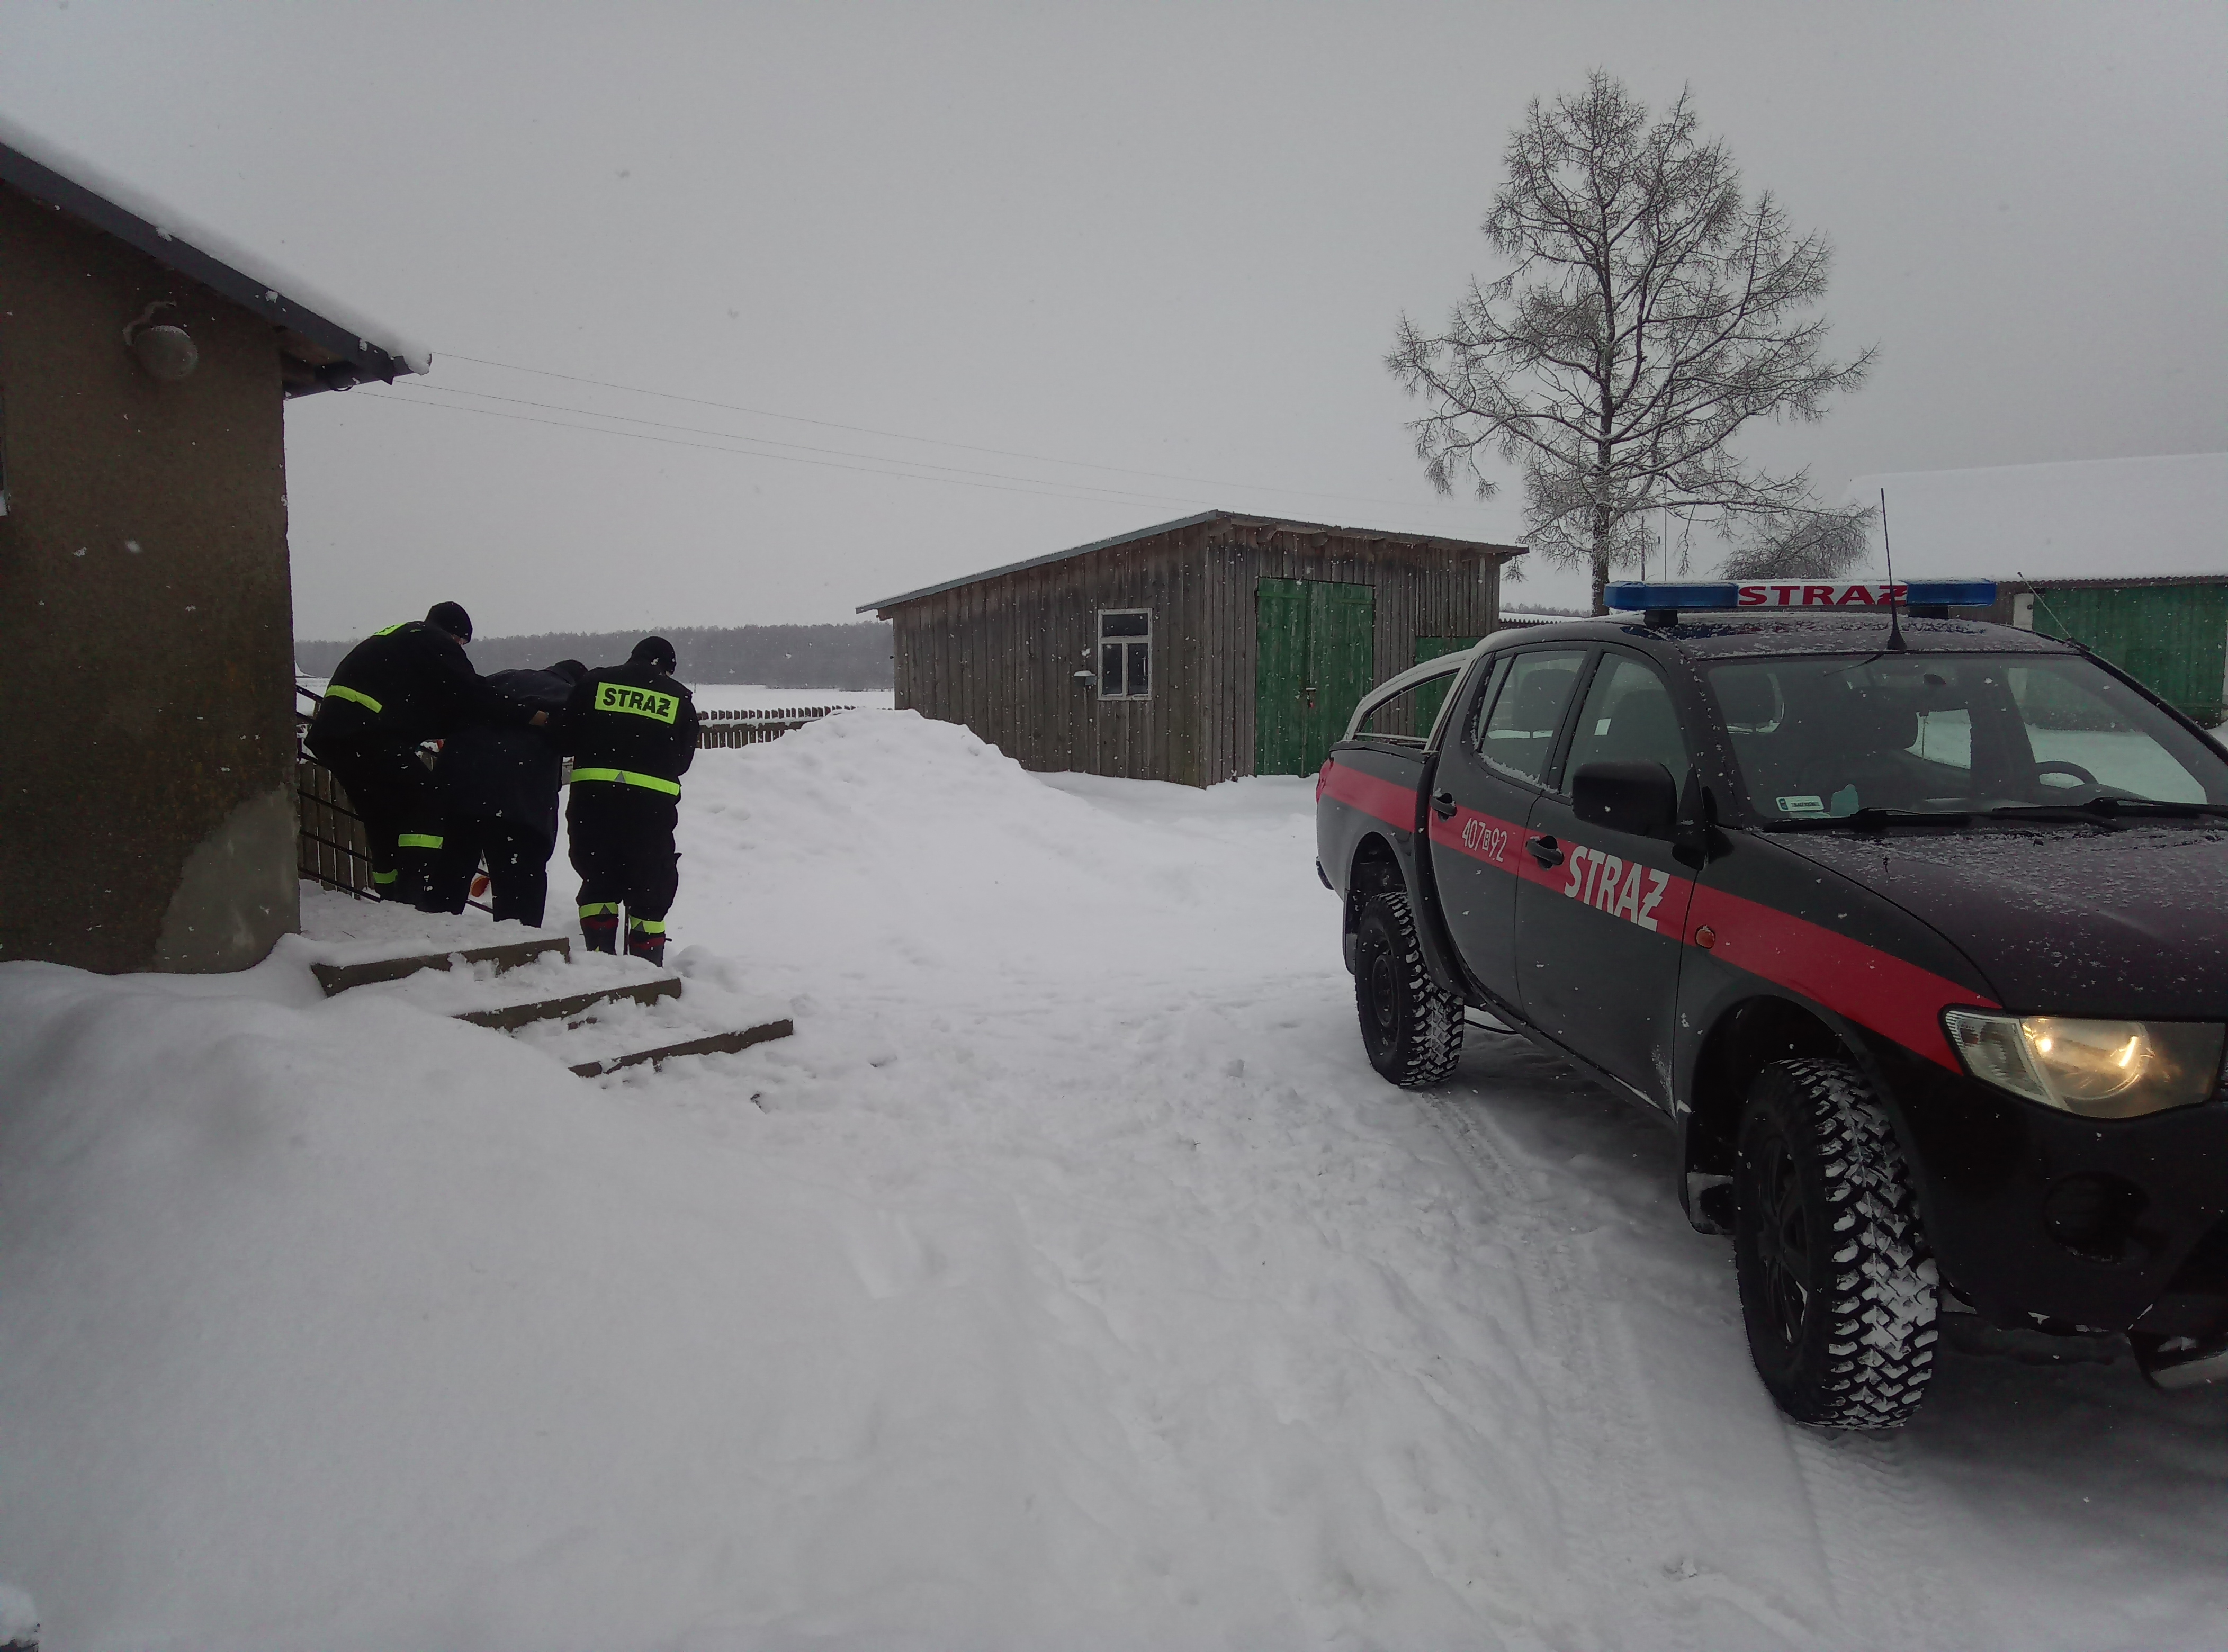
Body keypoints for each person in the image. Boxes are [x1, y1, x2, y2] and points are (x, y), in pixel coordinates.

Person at [306, 602, 544, 906]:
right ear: (456, 634)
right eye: (462, 642)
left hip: (335, 735)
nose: (460, 648)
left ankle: (390, 893)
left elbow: (423, 704)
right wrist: (529, 715)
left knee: (382, 816)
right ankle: (416, 890)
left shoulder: (403, 637)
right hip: (366, 731)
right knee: (428, 803)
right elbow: (471, 692)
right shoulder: (434, 639)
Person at [564, 636, 699, 964]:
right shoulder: (678, 697)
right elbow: (682, 760)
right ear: (667, 667)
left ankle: (599, 960)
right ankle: (645, 969)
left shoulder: (595, 682)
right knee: (650, 887)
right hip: (650, 812)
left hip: (593, 804)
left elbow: (567, 735)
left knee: (598, 879)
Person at [422, 660, 587, 926]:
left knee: (447, 879)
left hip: (459, 787)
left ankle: (428, 936)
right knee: (519, 899)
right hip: (520, 801)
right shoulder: (570, 696)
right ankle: (518, 944)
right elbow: (571, 739)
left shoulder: (501, 677)